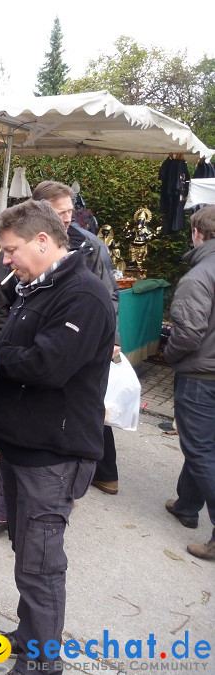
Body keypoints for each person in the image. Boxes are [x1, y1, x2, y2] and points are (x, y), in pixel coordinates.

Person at [0, 199, 115, 674]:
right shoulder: (38, 285)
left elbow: (47, 365)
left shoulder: (84, 295)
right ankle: (29, 635)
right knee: (26, 551)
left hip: (52, 452)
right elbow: (24, 349)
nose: (7, 259)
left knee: (41, 563)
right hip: (24, 440)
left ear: (42, 240)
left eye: (11, 250)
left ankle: (41, 663)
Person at [163, 205, 215, 562]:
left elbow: (189, 334)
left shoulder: (198, 277)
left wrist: (168, 354)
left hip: (202, 376)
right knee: (205, 447)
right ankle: (187, 504)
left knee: (200, 450)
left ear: (198, 233)